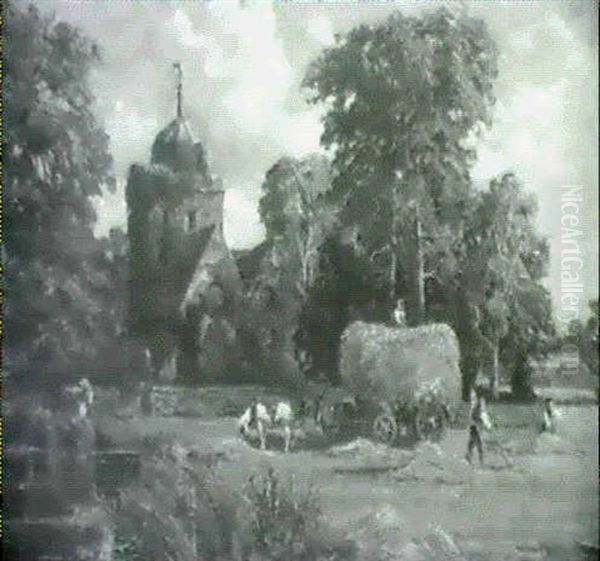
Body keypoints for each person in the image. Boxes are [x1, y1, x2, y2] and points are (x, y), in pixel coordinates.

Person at [466, 388, 492, 466]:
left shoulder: (479, 403)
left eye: (473, 397)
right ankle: (473, 459)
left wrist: (487, 424)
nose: (472, 398)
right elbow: (473, 415)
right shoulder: (475, 403)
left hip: (477, 425)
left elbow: (483, 413)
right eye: (472, 397)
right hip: (474, 425)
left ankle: (474, 459)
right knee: (473, 442)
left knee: (475, 442)